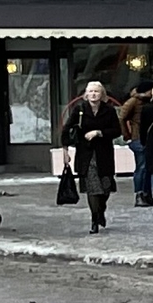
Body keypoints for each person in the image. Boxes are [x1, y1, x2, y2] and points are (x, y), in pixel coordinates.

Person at [59, 80, 121, 233]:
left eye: (96, 91)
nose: (93, 94)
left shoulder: (109, 110)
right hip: (86, 154)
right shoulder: (79, 110)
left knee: (105, 188)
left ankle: (101, 210)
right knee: (93, 188)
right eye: (91, 91)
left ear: (102, 94)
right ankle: (94, 219)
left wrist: (99, 133)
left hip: (104, 154)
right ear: (86, 94)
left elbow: (116, 131)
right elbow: (66, 130)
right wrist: (65, 151)